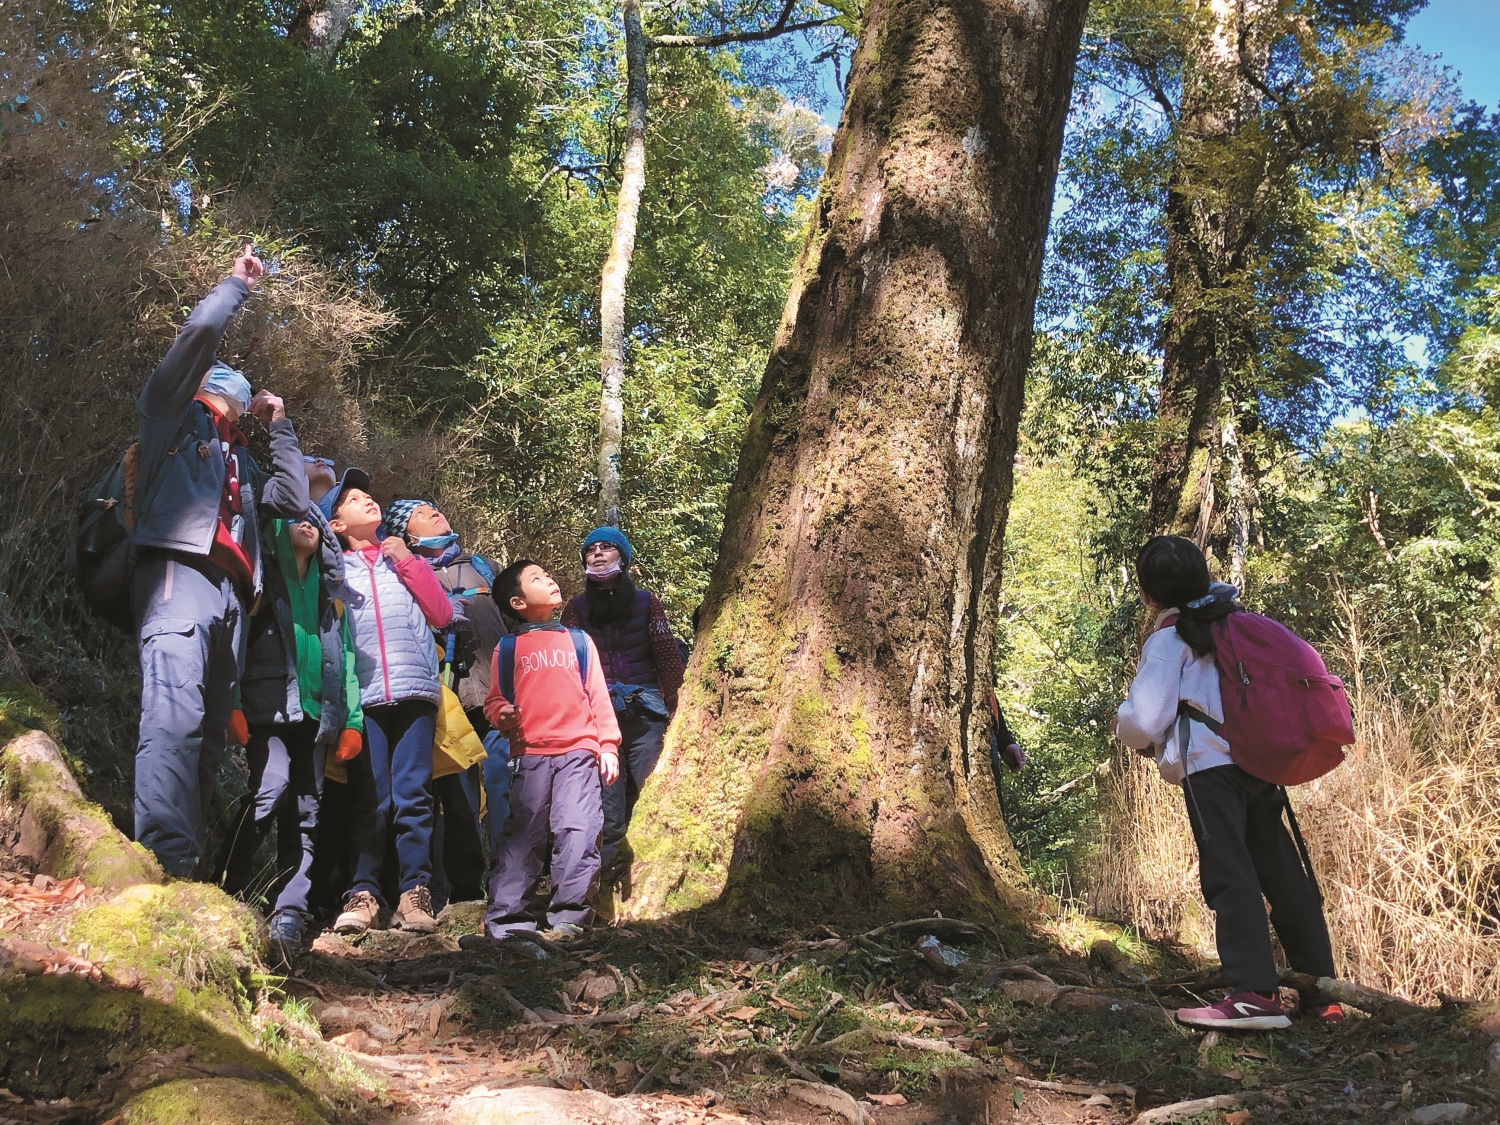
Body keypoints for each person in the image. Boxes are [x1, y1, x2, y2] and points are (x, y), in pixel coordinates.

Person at [131, 245, 311, 877]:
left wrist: (279, 423)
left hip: (234, 596)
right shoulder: (171, 421)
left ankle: (186, 864)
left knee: (209, 735)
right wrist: (238, 285)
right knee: (173, 716)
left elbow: (293, 500)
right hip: (180, 574)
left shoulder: (245, 462)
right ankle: (162, 857)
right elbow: (199, 335)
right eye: (229, 384)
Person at [1113, 535, 1340, 1030]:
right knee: (1282, 872)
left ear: (1149, 593)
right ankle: (1324, 995)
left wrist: (1120, 721)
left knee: (1229, 874)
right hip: (1258, 763)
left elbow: (1146, 722)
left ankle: (1254, 995)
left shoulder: (1171, 639)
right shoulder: (1233, 623)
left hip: (1210, 769)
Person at [214, 508, 363, 954]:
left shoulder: (332, 595)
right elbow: (233, 643)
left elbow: (349, 658)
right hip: (266, 710)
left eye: (316, 522)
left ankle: (289, 914)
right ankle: (227, 892)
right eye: (296, 518)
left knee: (307, 813)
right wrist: (231, 705)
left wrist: (351, 720)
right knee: (269, 789)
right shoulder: (258, 582)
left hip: (318, 716)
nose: (308, 525)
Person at [322, 469, 454, 935]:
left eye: (369, 495)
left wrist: (407, 561)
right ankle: (362, 893)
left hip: (416, 689)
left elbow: (441, 613)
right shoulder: (332, 569)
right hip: (363, 696)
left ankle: (416, 893)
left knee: (415, 795)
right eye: (354, 500)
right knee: (369, 797)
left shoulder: (404, 558)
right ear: (335, 525)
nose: (368, 501)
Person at [472, 560, 619, 947]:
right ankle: (507, 919)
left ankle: (570, 918)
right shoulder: (509, 647)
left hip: (580, 753)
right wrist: (501, 714)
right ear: (518, 602)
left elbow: (598, 696)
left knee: (579, 829)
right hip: (530, 754)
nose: (550, 580)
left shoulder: (578, 641)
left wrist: (608, 744)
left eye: (549, 575)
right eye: (538, 579)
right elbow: (496, 699)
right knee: (524, 834)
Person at [384, 499, 503, 902]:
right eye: (421, 513)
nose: (435, 513)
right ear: (407, 534)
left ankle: (507, 885)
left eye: (435, 508)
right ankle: (453, 891)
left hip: (499, 698)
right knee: (455, 798)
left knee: (506, 793)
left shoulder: (482, 567)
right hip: (447, 699)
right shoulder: (401, 576)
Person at [559, 528, 683, 878]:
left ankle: (654, 867)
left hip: (646, 711)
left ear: (623, 558)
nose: (598, 554)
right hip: (598, 716)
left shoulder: (646, 601)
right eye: (591, 550)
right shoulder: (576, 608)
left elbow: (666, 655)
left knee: (649, 787)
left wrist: (675, 705)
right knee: (607, 798)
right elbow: (571, 664)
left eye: (607, 548)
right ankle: (609, 873)